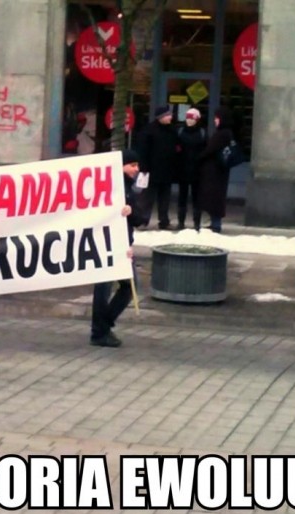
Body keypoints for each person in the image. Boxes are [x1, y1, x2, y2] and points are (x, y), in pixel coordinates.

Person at [90, 149, 143, 348]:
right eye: (132, 165)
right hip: (106, 244)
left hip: (123, 245)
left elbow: (139, 218)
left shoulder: (129, 188)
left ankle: (102, 326)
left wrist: (131, 211)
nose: (136, 169)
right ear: (121, 166)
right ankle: (99, 331)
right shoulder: (108, 187)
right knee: (104, 288)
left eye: (137, 165)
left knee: (129, 286)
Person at [136, 105, 179, 230]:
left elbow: (175, 149)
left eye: (170, 114)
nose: (170, 117)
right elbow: (143, 150)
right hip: (151, 170)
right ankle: (143, 220)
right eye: (167, 115)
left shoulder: (172, 130)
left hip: (167, 169)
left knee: (165, 198)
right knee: (147, 197)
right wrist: (144, 168)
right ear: (160, 117)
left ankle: (164, 221)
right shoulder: (149, 130)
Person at [197, 106, 235, 233]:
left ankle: (216, 224)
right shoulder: (226, 133)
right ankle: (215, 222)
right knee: (215, 197)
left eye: (217, 118)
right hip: (218, 171)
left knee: (214, 197)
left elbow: (210, 150)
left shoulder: (222, 134)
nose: (215, 120)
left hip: (215, 172)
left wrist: (199, 157)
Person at [176, 108, 207, 230]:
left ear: (197, 120)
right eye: (188, 118)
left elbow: (206, 150)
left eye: (192, 119)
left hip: (197, 170)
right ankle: (181, 222)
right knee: (182, 196)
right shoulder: (180, 131)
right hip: (182, 168)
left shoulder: (202, 133)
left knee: (196, 197)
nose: (189, 121)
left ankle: (197, 222)